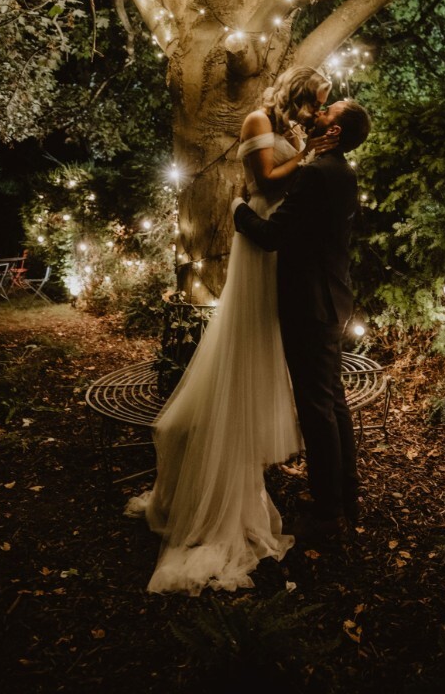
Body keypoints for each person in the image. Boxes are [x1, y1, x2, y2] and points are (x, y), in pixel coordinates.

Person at [125, 66, 337, 595]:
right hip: (259, 244)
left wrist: (307, 149)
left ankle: (243, 471)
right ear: (297, 93)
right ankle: (219, 490)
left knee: (267, 350)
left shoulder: (291, 131)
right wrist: (308, 158)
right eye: (315, 100)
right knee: (244, 349)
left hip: (276, 245)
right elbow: (263, 181)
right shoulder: (257, 120)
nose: (315, 111)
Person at [233, 98, 372, 541]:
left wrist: (237, 211)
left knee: (317, 409)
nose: (322, 109)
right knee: (332, 402)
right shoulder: (344, 172)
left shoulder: (315, 174)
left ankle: (328, 514)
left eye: (330, 110)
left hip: (309, 306)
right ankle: (347, 496)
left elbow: (273, 236)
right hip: (334, 300)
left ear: (334, 132)